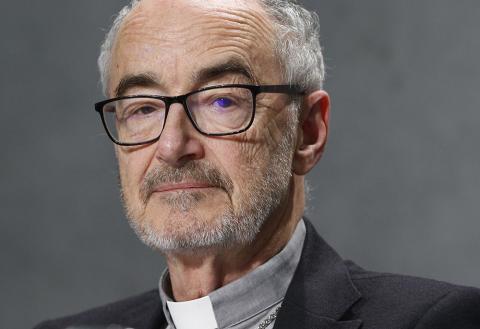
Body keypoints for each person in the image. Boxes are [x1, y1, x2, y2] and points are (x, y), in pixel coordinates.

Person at [35, 0, 480, 328]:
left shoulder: (439, 320)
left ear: (307, 131)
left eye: (222, 100)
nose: (172, 146)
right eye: (142, 108)